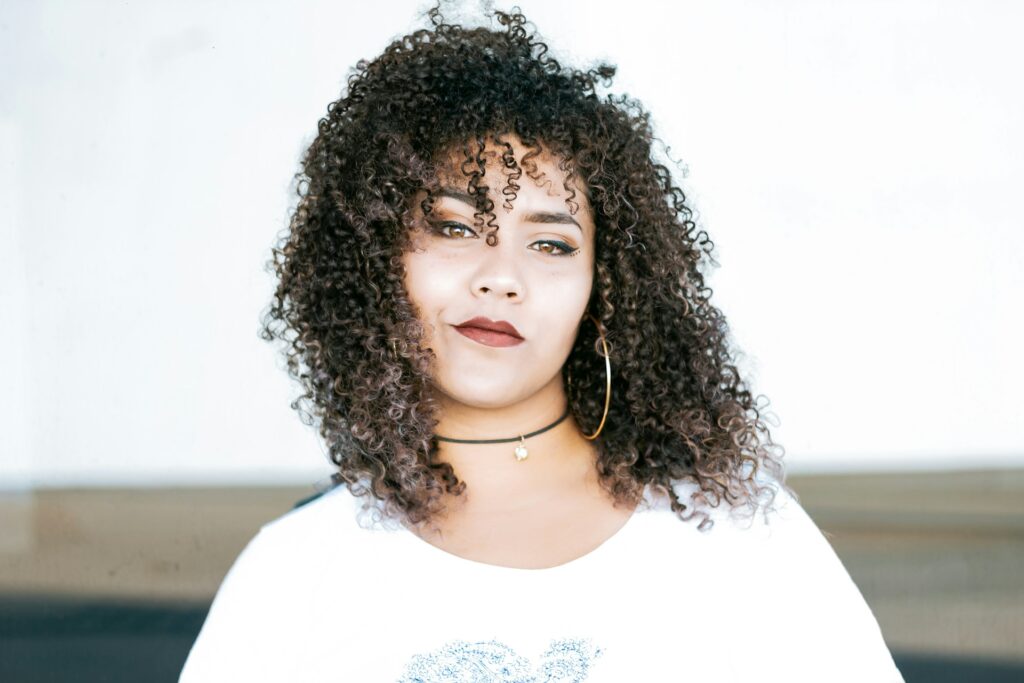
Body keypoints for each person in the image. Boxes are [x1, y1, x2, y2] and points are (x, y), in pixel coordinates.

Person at [179, 2, 904, 680]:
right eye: (456, 228)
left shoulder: (742, 536)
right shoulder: (295, 575)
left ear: (606, 288)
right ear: (376, 258)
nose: (503, 278)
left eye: (552, 245)